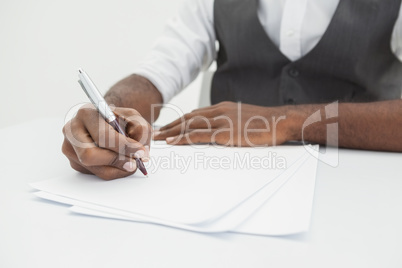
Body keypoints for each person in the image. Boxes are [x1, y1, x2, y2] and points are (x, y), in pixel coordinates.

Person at [62, 0, 402, 180]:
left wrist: (285, 121)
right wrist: (108, 111)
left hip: (363, 184)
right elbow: (155, 74)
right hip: (232, 183)